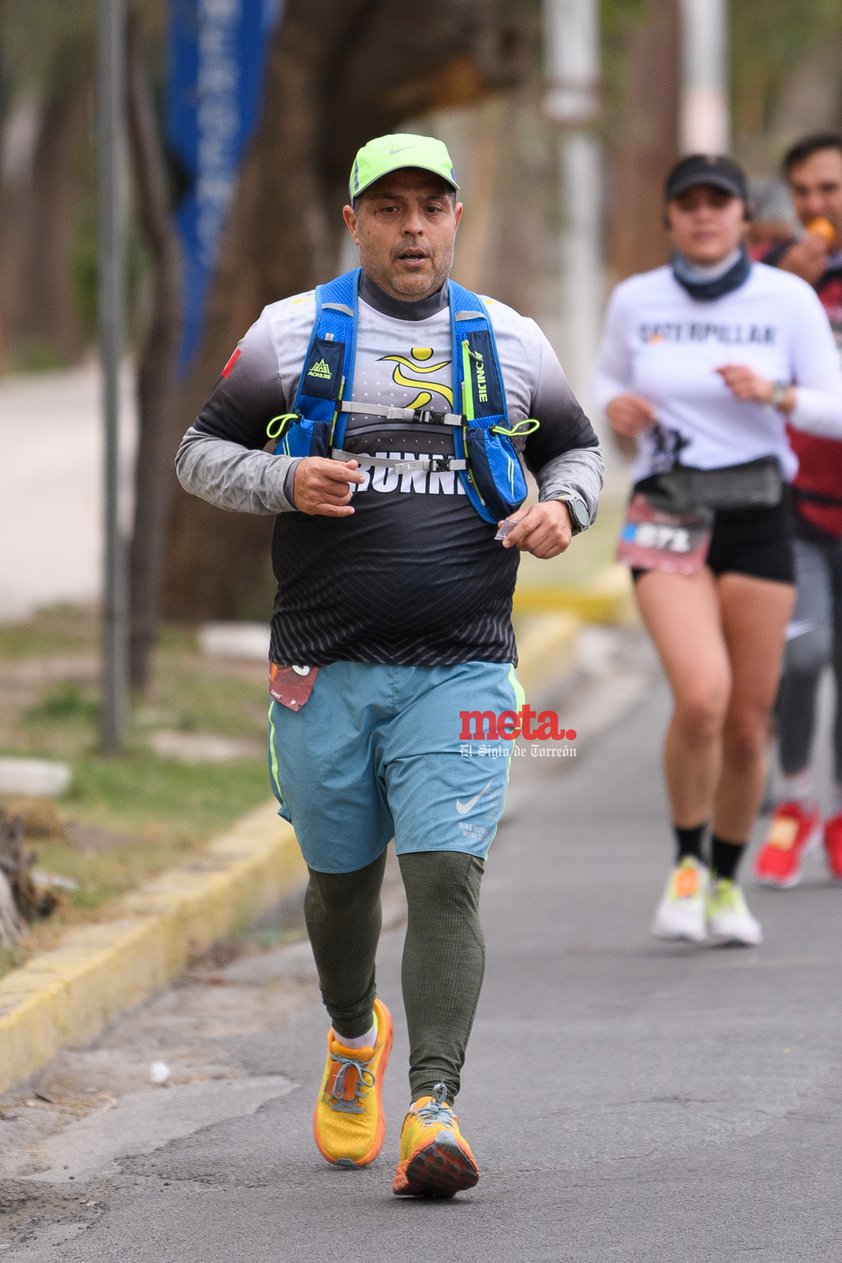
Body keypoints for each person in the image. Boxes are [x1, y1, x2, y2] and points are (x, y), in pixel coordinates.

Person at [176, 133, 603, 1197]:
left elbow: (575, 452)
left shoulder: (508, 339)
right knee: (338, 889)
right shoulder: (287, 334)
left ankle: (432, 1106)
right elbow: (198, 453)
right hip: (322, 665)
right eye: (389, 208)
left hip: (465, 664)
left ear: (455, 216)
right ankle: (352, 1033)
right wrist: (282, 482)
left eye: (431, 206)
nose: (412, 227)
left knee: (447, 881)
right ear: (353, 221)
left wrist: (562, 510)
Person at [594, 153, 842, 947]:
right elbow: (605, 382)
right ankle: (687, 866)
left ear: (744, 216)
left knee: (745, 721)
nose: (704, 217)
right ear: (669, 217)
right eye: (688, 204)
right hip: (667, 506)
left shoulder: (787, 299)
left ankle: (729, 882)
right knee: (701, 695)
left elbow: (835, 407)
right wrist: (620, 409)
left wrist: (776, 394)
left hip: (761, 509)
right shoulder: (637, 299)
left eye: (719, 204)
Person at [751, 133, 842, 888]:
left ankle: (838, 816)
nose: (816, 207)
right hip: (796, 509)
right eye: (804, 192)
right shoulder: (768, 282)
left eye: (830, 190)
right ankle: (795, 802)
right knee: (804, 655)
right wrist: (786, 281)